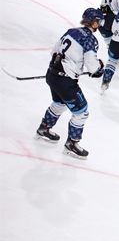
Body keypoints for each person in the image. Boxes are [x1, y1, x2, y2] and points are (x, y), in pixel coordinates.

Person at [34, 8, 105, 160]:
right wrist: (98, 69)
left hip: (52, 74)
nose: (99, 25)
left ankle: (43, 129)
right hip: (65, 81)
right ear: (93, 22)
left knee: (59, 104)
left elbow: (54, 51)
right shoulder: (90, 39)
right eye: (98, 21)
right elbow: (92, 66)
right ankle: (71, 144)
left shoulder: (71, 31)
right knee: (82, 113)